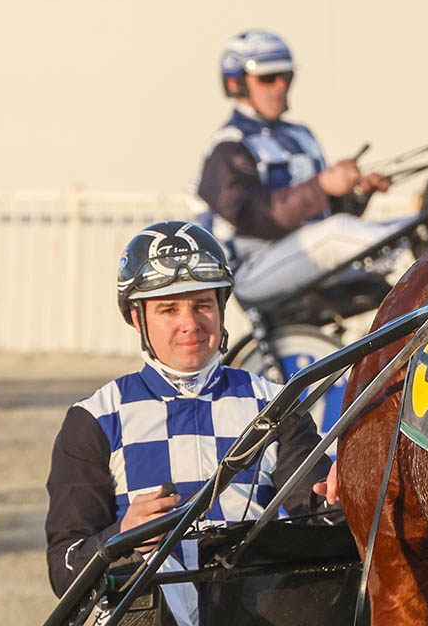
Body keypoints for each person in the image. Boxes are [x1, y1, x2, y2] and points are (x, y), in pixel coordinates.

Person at [44, 220, 336, 625]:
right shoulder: (93, 419)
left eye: (202, 305)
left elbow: (317, 513)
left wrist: (341, 498)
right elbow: (64, 570)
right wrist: (122, 537)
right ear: (136, 316)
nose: (190, 324)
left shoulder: (277, 403)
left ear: (220, 307)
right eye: (168, 309)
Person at [192, 29, 403, 302]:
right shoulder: (228, 146)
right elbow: (255, 218)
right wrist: (323, 185)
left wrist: (355, 193)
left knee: (413, 226)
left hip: (303, 255)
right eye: (268, 78)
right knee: (335, 235)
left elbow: (323, 215)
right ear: (236, 85)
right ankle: (413, 260)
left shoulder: (301, 135)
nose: (281, 85)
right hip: (252, 268)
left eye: (287, 77)